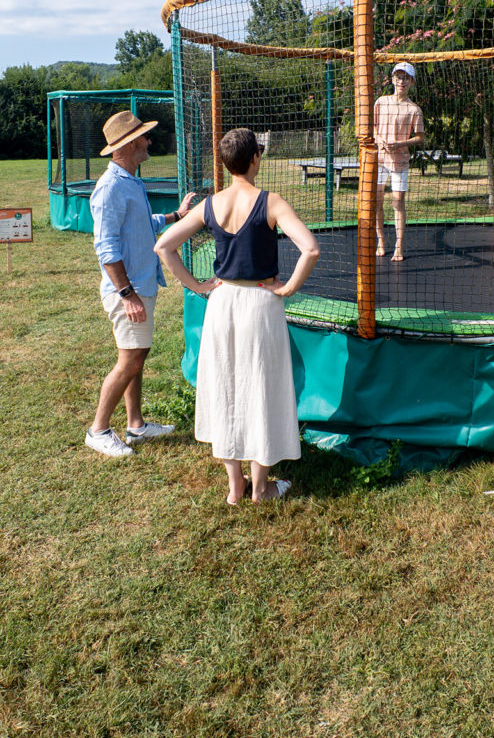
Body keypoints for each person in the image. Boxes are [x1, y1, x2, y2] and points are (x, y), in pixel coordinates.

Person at [155, 127, 320, 504]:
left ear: (226, 164)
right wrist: (288, 288)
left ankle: (235, 487)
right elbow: (310, 249)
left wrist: (197, 287)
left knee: (225, 387)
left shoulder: (210, 205)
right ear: (255, 159)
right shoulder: (271, 201)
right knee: (264, 387)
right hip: (262, 303)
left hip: (222, 303)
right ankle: (261, 488)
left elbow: (164, 245)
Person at [86, 110, 196, 458]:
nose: (150, 141)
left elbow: (140, 222)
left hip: (140, 286)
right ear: (131, 143)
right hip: (129, 291)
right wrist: (127, 295)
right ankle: (99, 430)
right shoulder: (110, 188)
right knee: (130, 360)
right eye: (145, 137)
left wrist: (176, 216)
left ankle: (135, 425)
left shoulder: (129, 181)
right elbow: (106, 248)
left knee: (137, 356)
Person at [374, 61, 425, 261]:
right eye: (398, 77)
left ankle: (398, 246)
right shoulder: (381, 101)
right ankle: (381, 241)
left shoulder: (414, 110)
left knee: (398, 202)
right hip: (379, 160)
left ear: (411, 81)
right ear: (392, 79)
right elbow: (372, 127)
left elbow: (420, 137)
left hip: (400, 162)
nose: (401, 81)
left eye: (405, 78)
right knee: (377, 201)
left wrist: (400, 143)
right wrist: (380, 140)